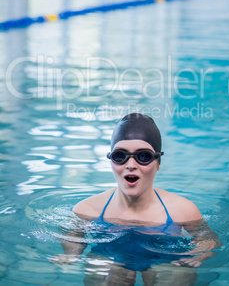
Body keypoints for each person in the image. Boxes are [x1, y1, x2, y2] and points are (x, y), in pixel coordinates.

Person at [53, 113, 220, 284]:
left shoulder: (182, 210)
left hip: (165, 260)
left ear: (158, 163)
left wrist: (200, 254)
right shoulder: (87, 209)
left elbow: (208, 239)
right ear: (111, 161)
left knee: (177, 275)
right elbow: (73, 233)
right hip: (110, 256)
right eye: (120, 156)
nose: (131, 165)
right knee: (104, 273)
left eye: (143, 156)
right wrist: (71, 254)